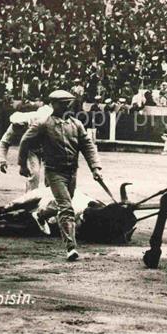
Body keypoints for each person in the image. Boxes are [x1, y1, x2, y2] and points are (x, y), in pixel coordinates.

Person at [18, 90, 104, 262]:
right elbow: (25, 142)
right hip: (54, 172)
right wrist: (22, 164)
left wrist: (95, 168)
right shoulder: (43, 123)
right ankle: (71, 247)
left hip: (72, 171)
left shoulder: (77, 124)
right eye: (63, 103)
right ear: (53, 104)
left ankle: (41, 215)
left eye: (68, 103)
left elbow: (88, 146)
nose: (67, 106)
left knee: (65, 202)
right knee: (66, 207)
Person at [0, 105, 53, 192]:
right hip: (32, 149)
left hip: (48, 147)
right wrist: (2, 160)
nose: (17, 130)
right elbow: (4, 142)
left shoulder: (41, 120)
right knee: (34, 174)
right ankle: (30, 197)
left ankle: (51, 196)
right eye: (16, 127)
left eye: (20, 127)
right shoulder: (15, 126)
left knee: (51, 175)